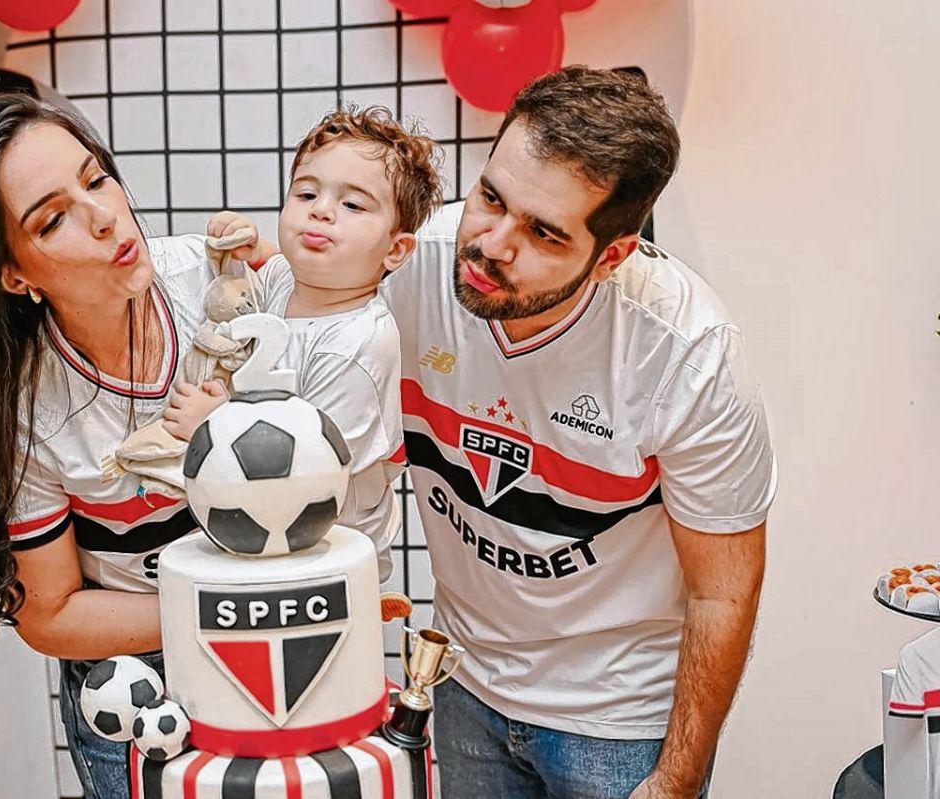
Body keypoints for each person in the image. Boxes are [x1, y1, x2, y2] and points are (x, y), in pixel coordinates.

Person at [380, 66, 777, 798]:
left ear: (612, 255)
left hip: (619, 719)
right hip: (464, 682)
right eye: (490, 197)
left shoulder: (687, 352)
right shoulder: (411, 267)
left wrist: (675, 782)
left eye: (543, 232)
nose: (493, 244)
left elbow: (724, 592)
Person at [0, 93, 233, 799]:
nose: (104, 216)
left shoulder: (215, 282)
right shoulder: (22, 407)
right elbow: (51, 614)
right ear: (14, 274)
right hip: (135, 675)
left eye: (96, 179)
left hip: (273, 636)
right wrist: (229, 605)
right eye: (52, 218)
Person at [164, 106, 444, 582]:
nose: (321, 210)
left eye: (353, 205)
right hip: (274, 539)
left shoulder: (358, 343)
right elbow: (269, 263)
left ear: (395, 249)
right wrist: (245, 246)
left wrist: (214, 428)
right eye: (307, 193)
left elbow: (309, 466)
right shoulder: (284, 280)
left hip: (333, 563)